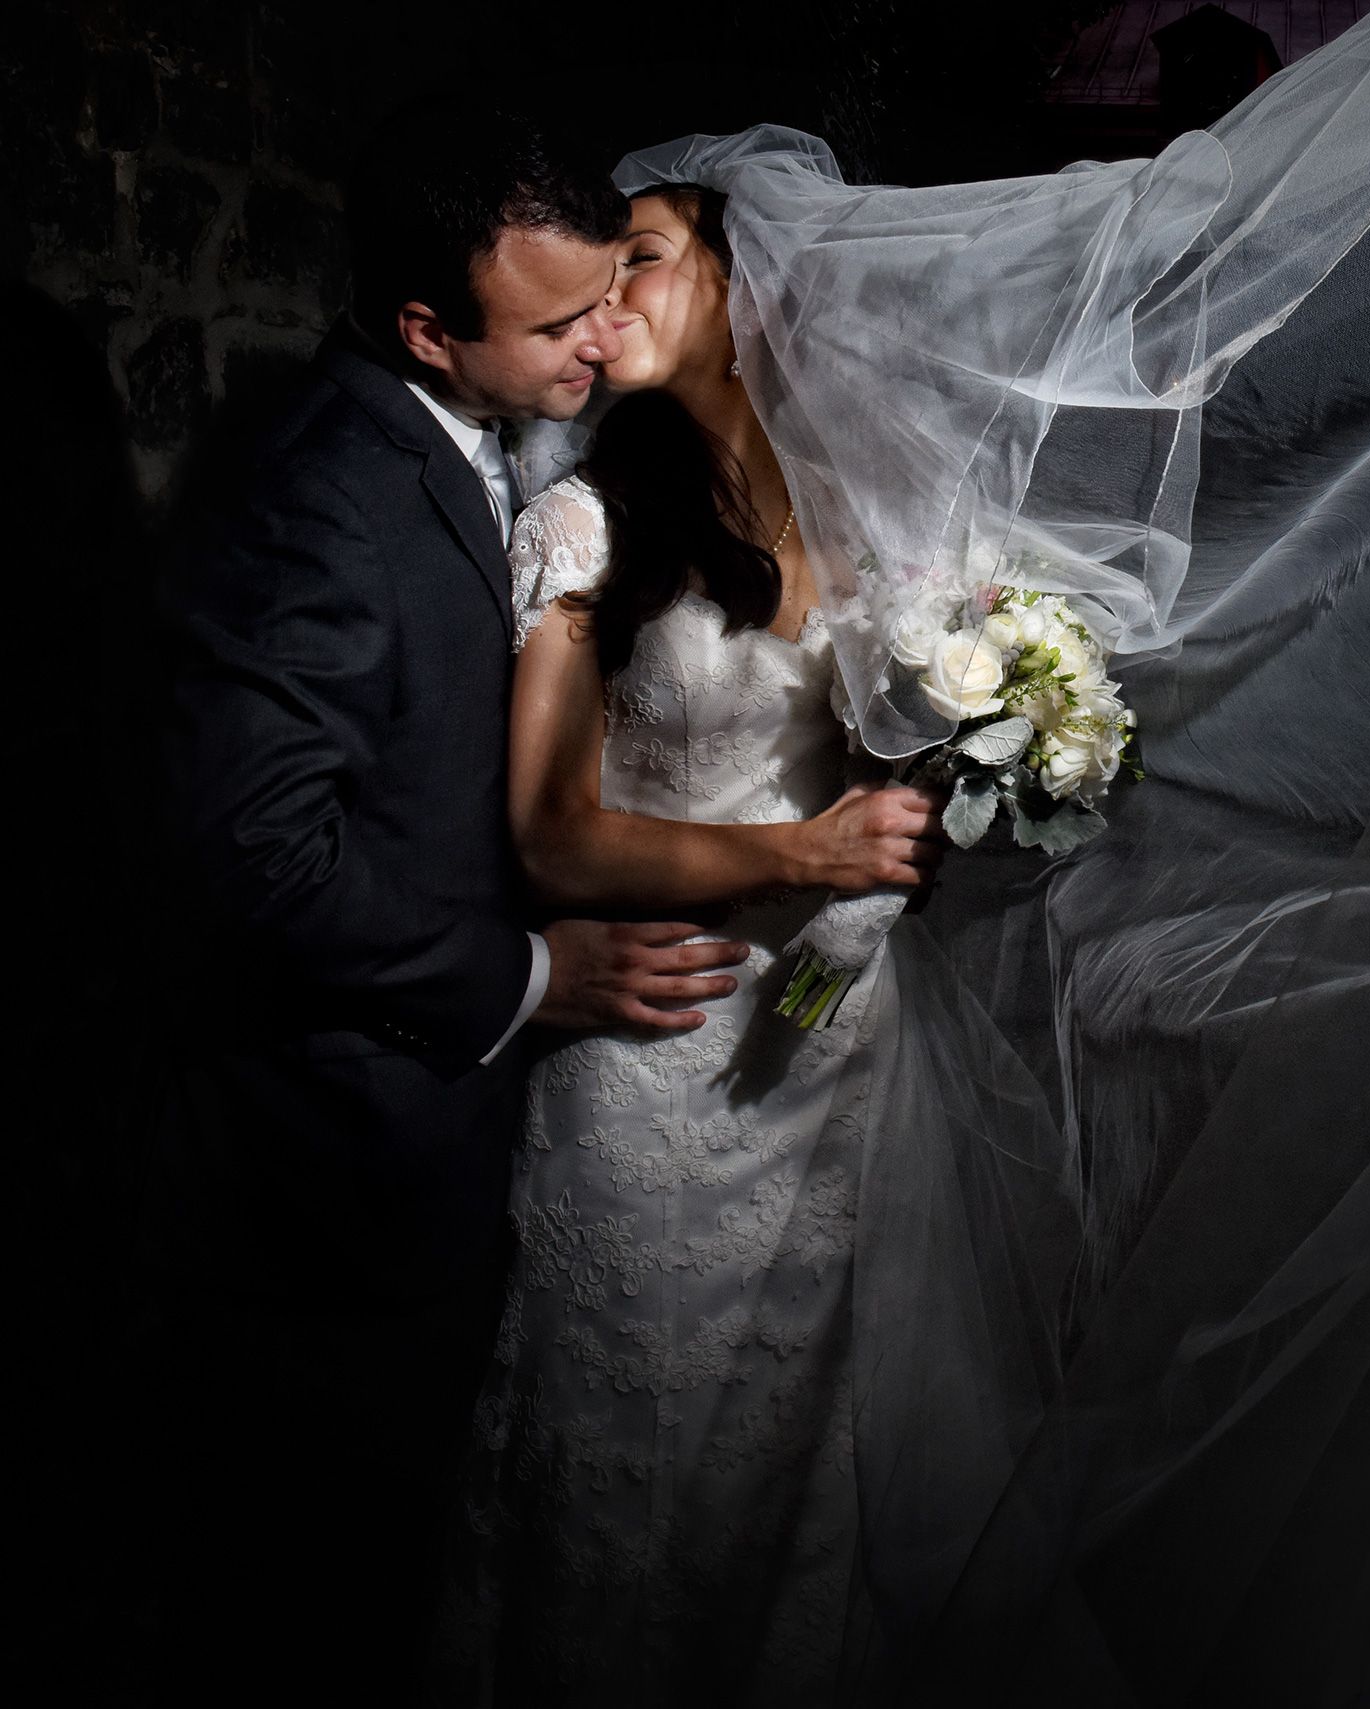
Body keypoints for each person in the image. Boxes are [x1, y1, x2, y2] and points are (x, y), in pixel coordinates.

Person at [153, 104, 761, 1692]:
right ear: (428, 325)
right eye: (556, 321)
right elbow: (256, 856)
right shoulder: (320, 490)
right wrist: (526, 977)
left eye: (605, 296)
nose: (596, 338)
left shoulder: (477, 443)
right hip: (338, 1167)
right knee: (328, 1601)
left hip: (446, 1146)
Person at [439, 184, 982, 1702]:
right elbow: (550, 831)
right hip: (659, 1041)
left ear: (758, 289)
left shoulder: (878, 522)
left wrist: (953, 795)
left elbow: (915, 756)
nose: (606, 298)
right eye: (593, 277)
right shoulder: (583, 523)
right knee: (628, 1460)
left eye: (645, 261)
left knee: (793, 1476)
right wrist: (799, 853)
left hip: (835, 1053)